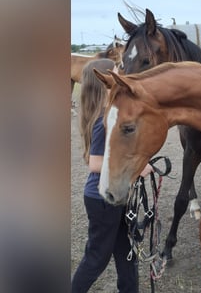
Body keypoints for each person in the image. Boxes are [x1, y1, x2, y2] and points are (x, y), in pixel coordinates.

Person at [71, 58, 152, 293]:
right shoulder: (102, 121)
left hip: (114, 197)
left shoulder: (106, 115)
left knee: (126, 253)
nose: (120, 76)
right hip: (103, 199)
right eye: (116, 72)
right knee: (97, 258)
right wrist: (137, 170)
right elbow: (95, 163)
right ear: (104, 81)